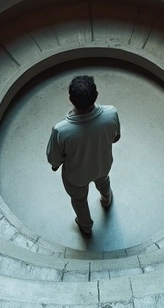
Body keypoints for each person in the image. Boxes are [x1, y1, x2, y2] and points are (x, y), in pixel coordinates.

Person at [46, 75, 121, 235]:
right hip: (103, 165)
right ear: (96, 95)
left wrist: (56, 164)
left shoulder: (61, 130)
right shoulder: (112, 113)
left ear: (70, 99)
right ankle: (106, 199)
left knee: (79, 199)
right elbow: (116, 137)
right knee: (103, 181)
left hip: (76, 175)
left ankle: (85, 225)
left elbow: (54, 159)